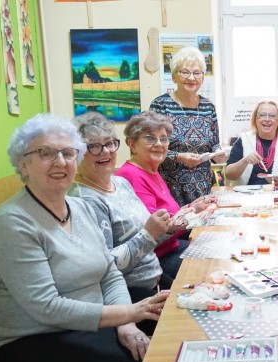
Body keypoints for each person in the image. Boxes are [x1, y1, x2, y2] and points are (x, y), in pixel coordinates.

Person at [0, 113, 167, 362]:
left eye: (68, 152)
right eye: (46, 153)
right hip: (24, 338)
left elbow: (108, 271)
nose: (60, 161)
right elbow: (46, 307)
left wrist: (126, 324)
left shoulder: (80, 208)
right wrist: (130, 313)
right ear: (23, 164)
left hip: (81, 321)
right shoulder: (11, 223)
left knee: (160, 346)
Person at [71, 111, 173, 313]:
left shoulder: (121, 183)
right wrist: (150, 233)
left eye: (110, 143)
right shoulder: (85, 200)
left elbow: (148, 238)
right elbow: (105, 266)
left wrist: (168, 227)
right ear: (77, 153)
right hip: (127, 296)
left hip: (155, 277)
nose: (105, 152)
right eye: (93, 146)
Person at [116, 111, 215, 279]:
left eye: (163, 138)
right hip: (156, 259)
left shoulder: (152, 170)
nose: (159, 144)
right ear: (132, 144)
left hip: (172, 247)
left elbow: (170, 218)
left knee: (221, 249)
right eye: (149, 138)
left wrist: (193, 207)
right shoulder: (132, 175)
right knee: (212, 268)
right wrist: (191, 214)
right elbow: (155, 232)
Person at [150, 46, 223, 206]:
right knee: (178, 229)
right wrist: (179, 157)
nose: (192, 78)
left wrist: (218, 153)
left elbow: (214, 143)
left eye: (197, 73)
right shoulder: (161, 105)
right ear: (174, 76)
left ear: (203, 77)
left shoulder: (208, 107)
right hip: (171, 189)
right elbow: (151, 149)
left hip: (204, 189)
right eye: (185, 72)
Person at [225, 99, 278, 186]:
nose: (267, 119)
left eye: (272, 116)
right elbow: (229, 175)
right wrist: (245, 161)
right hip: (246, 196)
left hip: (277, 196)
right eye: (262, 115)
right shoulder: (244, 140)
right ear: (255, 119)